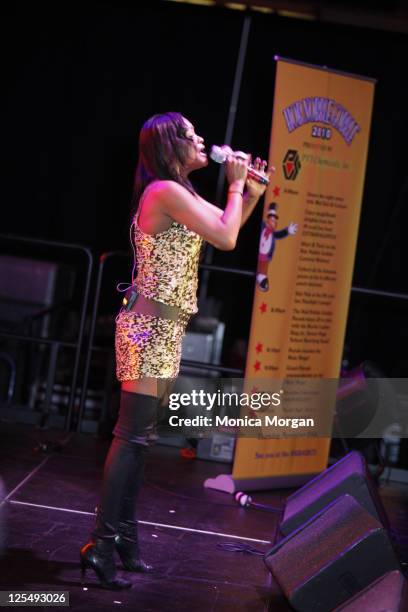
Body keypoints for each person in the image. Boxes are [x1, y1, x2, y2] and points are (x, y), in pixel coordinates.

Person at [79, 111, 269, 589]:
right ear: (169, 147)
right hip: (148, 327)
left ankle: (123, 538)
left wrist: (249, 196)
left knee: (140, 442)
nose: (201, 138)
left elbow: (222, 231)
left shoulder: (180, 193)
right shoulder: (162, 191)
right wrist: (234, 185)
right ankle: (101, 544)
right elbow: (227, 237)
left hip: (167, 329)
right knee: (131, 438)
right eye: (190, 134)